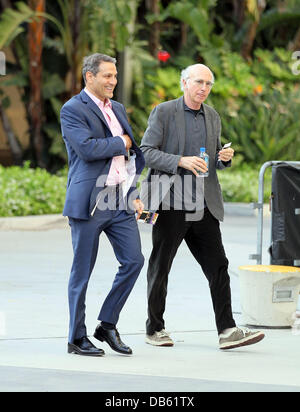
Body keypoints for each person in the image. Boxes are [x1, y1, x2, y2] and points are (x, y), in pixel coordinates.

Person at [140, 63, 265, 350]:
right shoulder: (164, 112)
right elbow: (146, 152)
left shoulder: (213, 116)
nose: (204, 89)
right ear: (184, 82)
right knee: (161, 267)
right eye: (198, 82)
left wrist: (223, 157)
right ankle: (154, 329)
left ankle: (227, 331)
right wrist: (180, 161)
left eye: (208, 84)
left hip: (204, 204)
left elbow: (211, 158)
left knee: (219, 266)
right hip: (171, 203)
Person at [60, 53, 145, 357]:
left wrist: (133, 193)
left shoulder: (117, 108)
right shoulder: (73, 109)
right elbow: (86, 149)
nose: (113, 81)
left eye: (115, 75)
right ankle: (76, 337)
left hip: (119, 200)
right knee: (82, 273)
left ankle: (106, 324)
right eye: (107, 76)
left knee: (134, 261)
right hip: (90, 202)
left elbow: (130, 155)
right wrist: (120, 142)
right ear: (89, 77)